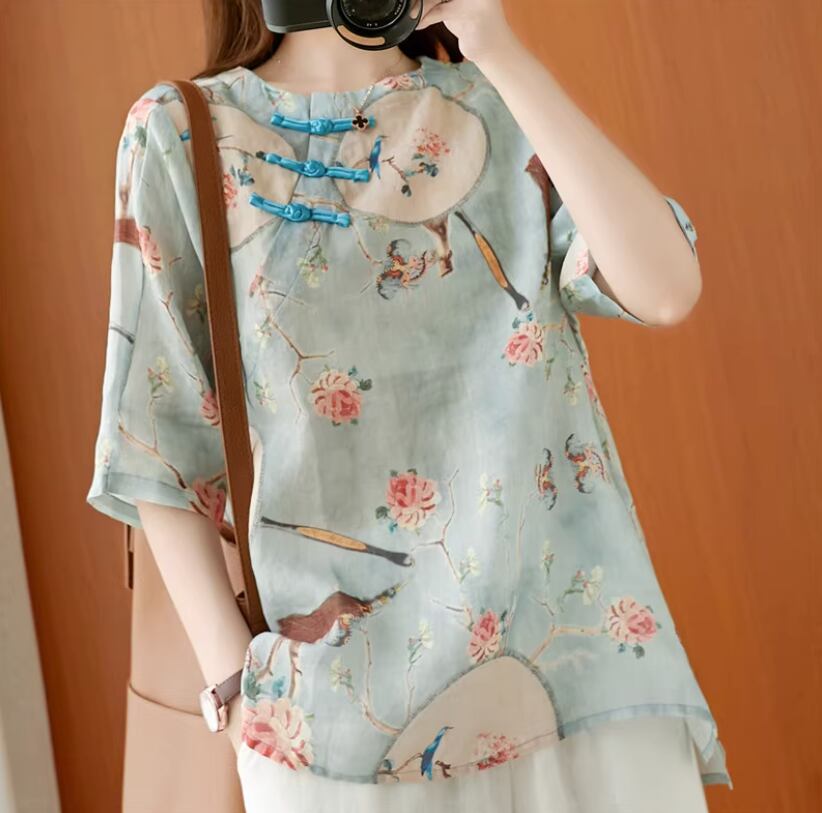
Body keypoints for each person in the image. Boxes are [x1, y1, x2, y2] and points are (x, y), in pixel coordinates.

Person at [86, 0, 733, 810]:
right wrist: (238, 693)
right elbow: (156, 441)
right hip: (334, 732)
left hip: (576, 687)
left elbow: (665, 286)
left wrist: (498, 47)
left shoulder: (492, 103)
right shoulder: (181, 133)